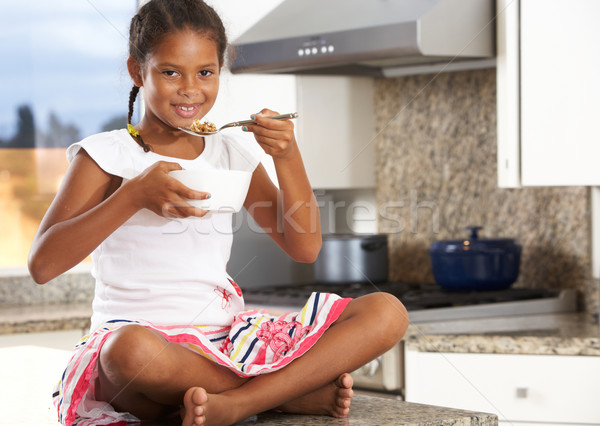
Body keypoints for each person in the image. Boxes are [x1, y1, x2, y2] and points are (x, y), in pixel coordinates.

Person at [28, 1, 409, 425]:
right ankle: (281, 395)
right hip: (146, 351)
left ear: (219, 71)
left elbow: (304, 247)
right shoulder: (105, 155)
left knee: (387, 312)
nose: (190, 89)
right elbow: (43, 265)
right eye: (170, 72)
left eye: (205, 73)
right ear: (138, 71)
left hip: (225, 342)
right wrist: (131, 196)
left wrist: (287, 155)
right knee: (127, 352)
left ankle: (238, 403)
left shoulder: (229, 152)